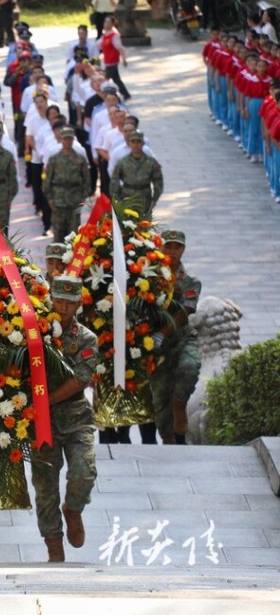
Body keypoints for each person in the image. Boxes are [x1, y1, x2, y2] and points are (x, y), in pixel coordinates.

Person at [30, 275, 99, 563]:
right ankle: (54, 548)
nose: (63, 307)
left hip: (75, 419)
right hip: (40, 422)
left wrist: (48, 399)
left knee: (83, 472)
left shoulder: (85, 338)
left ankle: (73, 509)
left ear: (79, 304)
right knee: (45, 487)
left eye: (69, 302)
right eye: (58, 301)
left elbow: (82, 378)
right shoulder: (36, 332)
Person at [152, 230, 202, 445]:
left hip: (181, 340)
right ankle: (168, 441)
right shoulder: (148, 279)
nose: (172, 251)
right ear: (160, 249)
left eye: (177, 247)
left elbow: (185, 312)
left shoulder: (191, 282)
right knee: (159, 399)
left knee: (190, 367)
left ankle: (180, 403)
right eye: (168, 246)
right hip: (154, 347)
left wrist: (162, 333)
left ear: (183, 249)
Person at [43, 126, 90, 243]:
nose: (67, 141)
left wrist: (83, 197)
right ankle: (58, 260)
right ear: (61, 139)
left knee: (74, 234)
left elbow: (87, 180)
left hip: (75, 198)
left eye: (70, 139)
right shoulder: (54, 159)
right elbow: (48, 180)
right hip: (58, 199)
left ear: (73, 139)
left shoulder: (80, 159)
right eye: (65, 139)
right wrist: (49, 197)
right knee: (58, 232)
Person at [110, 131, 163, 216]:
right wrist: (117, 198)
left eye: (138, 142)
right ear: (129, 143)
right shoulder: (123, 162)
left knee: (144, 225)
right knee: (127, 225)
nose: (135, 145)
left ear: (143, 144)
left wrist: (155, 198)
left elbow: (158, 181)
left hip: (144, 198)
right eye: (133, 142)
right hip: (126, 197)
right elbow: (114, 180)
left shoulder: (151, 162)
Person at [101, 16, 131, 101]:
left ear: (112, 24)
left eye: (108, 22)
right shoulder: (105, 34)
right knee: (116, 79)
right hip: (107, 60)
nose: (106, 24)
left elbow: (120, 48)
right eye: (105, 22)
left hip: (112, 61)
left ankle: (107, 95)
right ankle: (126, 94)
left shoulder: (114, 36)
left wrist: (124, 59)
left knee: (105, 78)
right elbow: (99, 44)